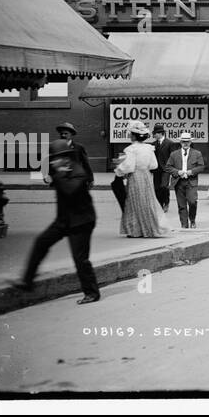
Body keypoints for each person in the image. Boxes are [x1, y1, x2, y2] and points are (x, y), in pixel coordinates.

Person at [20, 138, 100, 305]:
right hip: (63, 220)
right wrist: (49, 172)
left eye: (59, 157)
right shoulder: (59, 169)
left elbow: (69, 189)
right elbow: (46, 175)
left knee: (80, 259)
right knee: (41, 242)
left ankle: (92, 293)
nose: (56, 160)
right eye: (54, 158)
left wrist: (57, 172)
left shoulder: (78, 170)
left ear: (67, 157)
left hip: (81, 221)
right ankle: (26, 282)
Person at [114, 121, 168, 238]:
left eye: (131, 134)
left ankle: (136, 230)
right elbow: (154, 165)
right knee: (147, 202)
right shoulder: (149, 148)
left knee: (134, 202)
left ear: (133, 135)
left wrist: (118, 169)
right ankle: (150, 227)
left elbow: (128, 166)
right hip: (146, 176)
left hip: (135, 176)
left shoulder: (131, 149)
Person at [165, 131, 205, 229]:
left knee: (192, 201)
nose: (185, 143)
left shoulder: (197, 153)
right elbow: (168, 167)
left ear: (191, 142)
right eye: (183, 141)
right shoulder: (174, 154)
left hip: (191, 182)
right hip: (179, 182)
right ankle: (184, 224)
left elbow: (201, 167)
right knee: (181, 205)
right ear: (180, 142)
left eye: (187, 141)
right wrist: (177, 172)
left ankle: (192, 219)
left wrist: (192, 171)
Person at [151, 125, 173, 211]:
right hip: (156, 169)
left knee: (164, 186)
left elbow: (172, 157)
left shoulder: (170, 143)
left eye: (155, 133)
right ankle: (160, 204)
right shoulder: (153, 144)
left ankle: (166, 202)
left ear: (161, 133)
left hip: (166, 169)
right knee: (157, 188)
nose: (154, 135)